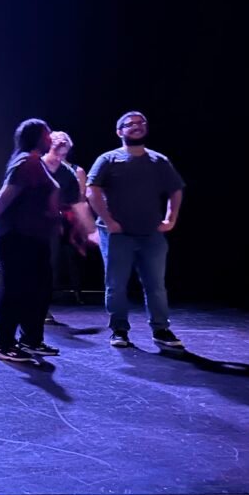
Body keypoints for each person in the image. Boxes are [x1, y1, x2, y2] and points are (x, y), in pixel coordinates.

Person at [86, 111, 186, 349]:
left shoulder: (158, 160)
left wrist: (171, 218)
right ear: (120, 132)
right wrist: (108, 220)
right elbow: (92, 190)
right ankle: (119, 330)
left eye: (141, 123)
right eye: (130, 124)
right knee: (116, 284)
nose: (137, 126)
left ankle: (161, 330)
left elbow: (176, 189)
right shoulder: (108, 159)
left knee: (156, 285)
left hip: (151, 233)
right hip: (118, 235)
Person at [0, 119, 61, 362]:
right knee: (16, 289)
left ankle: (31, 340)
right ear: (36, 137)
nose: (51, 139)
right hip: (17, 235)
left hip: (34, 236)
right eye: (47, 135)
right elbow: (8, 192)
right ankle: (3, 345)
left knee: (38, 289)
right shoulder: (27, 161)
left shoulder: (36, 162)